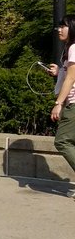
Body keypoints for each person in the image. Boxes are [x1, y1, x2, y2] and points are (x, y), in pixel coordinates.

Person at [47, 14, 75, 176]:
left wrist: (58, 103)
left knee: (62, 141)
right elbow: (69, 74)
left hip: (73, 102)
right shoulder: (69, 48)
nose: (59, 30)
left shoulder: (73, 48)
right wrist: (59, 72)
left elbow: (72, 78)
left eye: (63, 26)